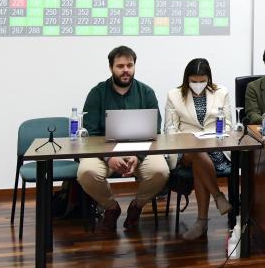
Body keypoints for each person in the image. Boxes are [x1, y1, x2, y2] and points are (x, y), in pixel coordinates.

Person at [80, 46, 170, 232]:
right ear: (111, 68)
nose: (126, 70)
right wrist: (109, 157)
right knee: (86, 172)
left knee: (160, 171)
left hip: (142, 151)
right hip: (104, 153)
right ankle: (111, 207)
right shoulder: (97, 93)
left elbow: (155, 130)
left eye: (130, 65)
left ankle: (137, 206)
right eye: (120, 66)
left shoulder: (146, 93)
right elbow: (91, 133)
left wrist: (138, 155)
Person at [164, 58, 233, 240]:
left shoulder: (221, 92)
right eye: (194, 81)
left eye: (202, 81)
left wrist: (213, 139)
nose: (198, 84)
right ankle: (218, 196)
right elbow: (170, 130)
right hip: (185, 149)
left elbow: (227, 126)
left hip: (215, 147)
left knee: (199, 164)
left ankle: (201, 222)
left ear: (208, 79)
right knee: (195, 152)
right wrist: (188, 140)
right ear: (187, 79)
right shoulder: (174, 95)